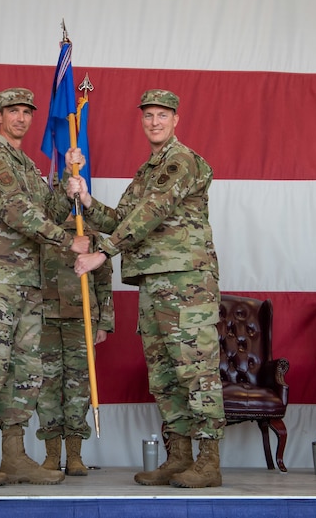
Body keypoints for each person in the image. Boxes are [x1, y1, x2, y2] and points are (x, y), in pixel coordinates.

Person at [69, 89, 226, 488]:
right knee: (165, 375)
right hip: (155, 282)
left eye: (162, 115)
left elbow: (151, 214)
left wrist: (102, 253)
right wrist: (86, 198)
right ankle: (180, 457)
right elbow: (123, 217)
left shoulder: (181, 160)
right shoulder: (147, 170)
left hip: (186, 281)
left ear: (176, 119)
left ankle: (208, 462)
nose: (154, 122)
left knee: (195, 371)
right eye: (148, 116)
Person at [0, 87, 89, 487]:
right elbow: (18, 212)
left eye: (27, 112)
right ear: (0, 116)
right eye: (13, 111)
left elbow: (48, 212)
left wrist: (68, 182)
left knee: (26, 371)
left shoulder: (27, 164)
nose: (21, 118)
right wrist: (67, 241)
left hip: (28, 284)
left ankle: (14, 456)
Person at [36, 213, 115, 476]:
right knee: (46, 386)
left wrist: (104, 323)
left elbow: (103, 283)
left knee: (79, 386)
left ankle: (74, 456)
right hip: (43, 317)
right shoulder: (41, 230)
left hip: (81, 319)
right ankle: (51, 456)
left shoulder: (91, 235)